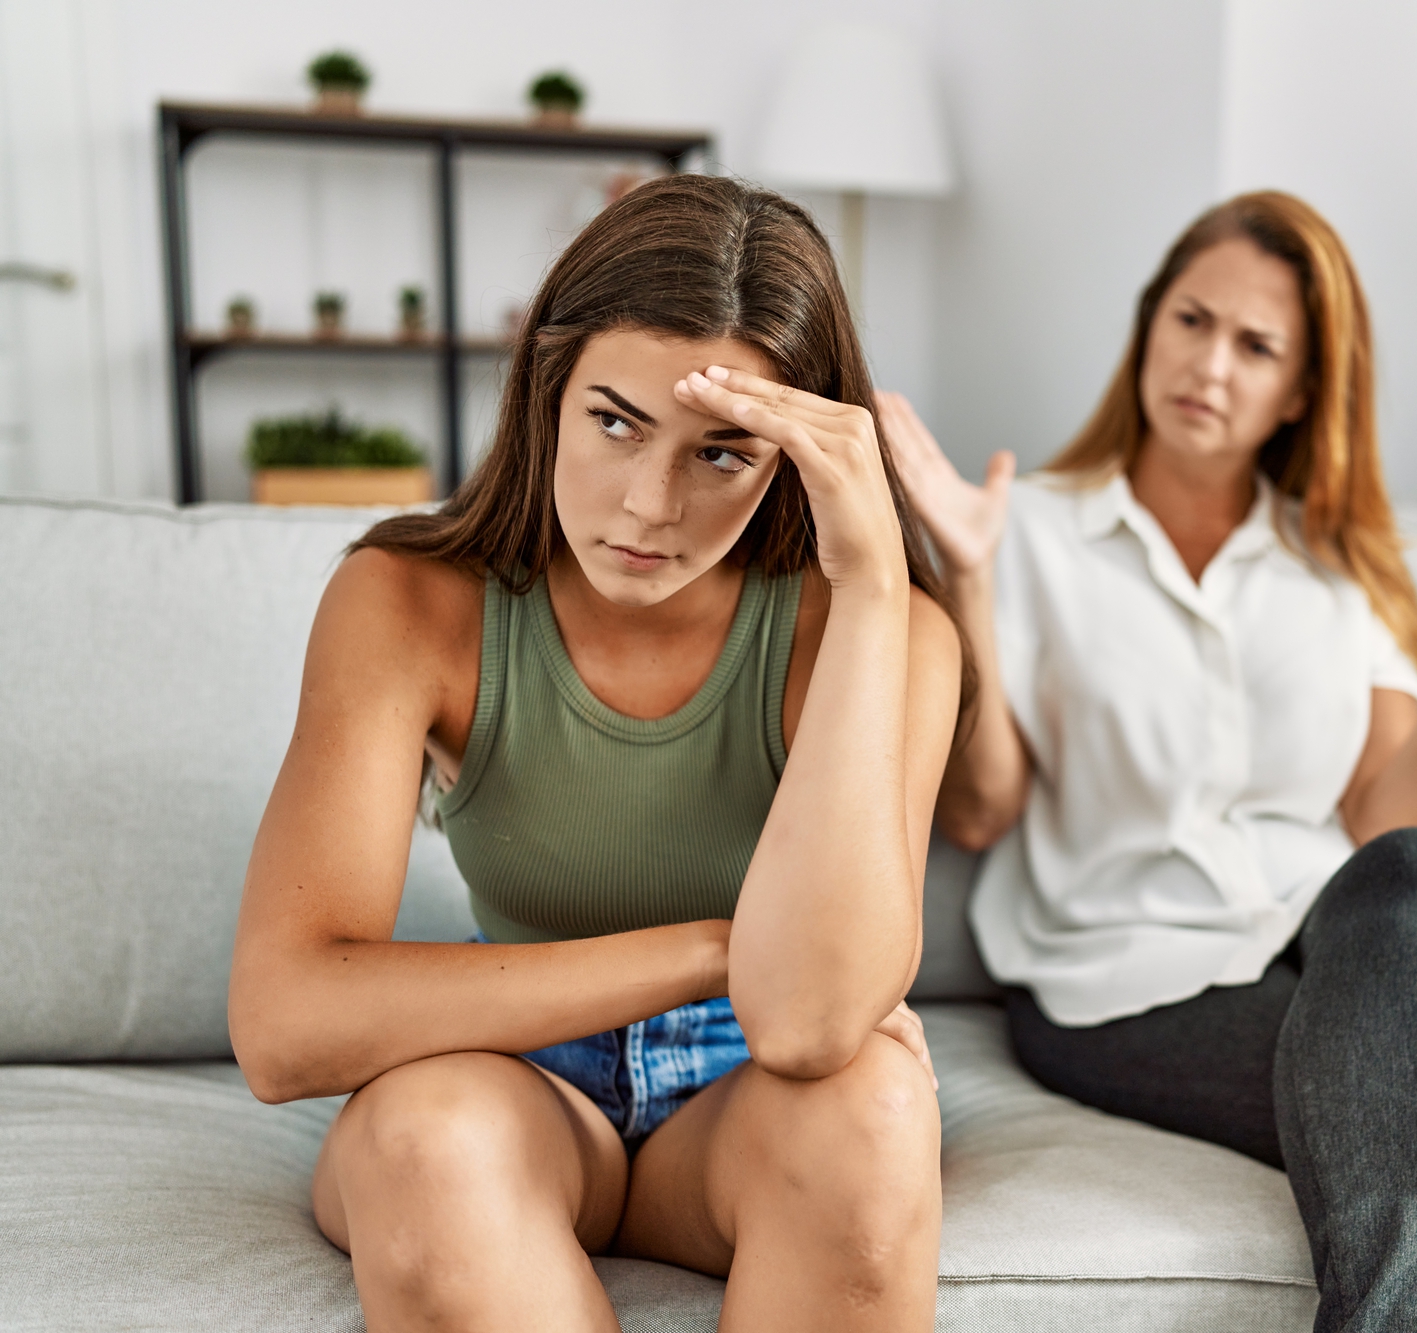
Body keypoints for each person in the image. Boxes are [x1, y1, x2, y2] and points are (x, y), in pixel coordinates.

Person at [878, 190, 1417, 1332]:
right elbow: (981, 809)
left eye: (1256, 347)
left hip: (1361, 940)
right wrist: (965, 583)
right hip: (1134, 980)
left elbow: (1387, 818)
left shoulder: (1336, 563)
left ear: (1301, 390)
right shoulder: (1023, 533)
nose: (1210, 364)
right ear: (1148, 325)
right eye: (1191, 321)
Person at [228, 175, 963, 1333]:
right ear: (546, 388)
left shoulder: (879, 633)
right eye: (615, 422)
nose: (648, 503)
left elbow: (812, 1023)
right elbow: (283, 1024)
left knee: (869, 1110)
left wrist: (871, 585)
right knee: (425, 1145)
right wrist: (716, 949)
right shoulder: (408, 602)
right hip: (513, 1063)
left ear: (793, 456)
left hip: (752, 1096)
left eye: (723, 452)